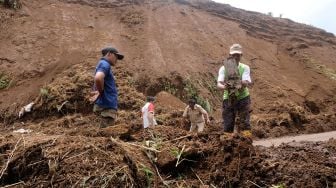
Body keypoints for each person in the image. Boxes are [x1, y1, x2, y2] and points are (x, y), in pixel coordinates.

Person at [217, 44, 252, 134]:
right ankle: (228, 144)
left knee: (245, 123)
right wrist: (225, 87)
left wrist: (240, 83)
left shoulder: (245, 67)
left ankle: (247, 143)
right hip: (228, 98)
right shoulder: (223, 68)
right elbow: (219, 84)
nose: (235, 57)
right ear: (230, 55)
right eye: (233, 55)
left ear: (241, 55)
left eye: (238, 55)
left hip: (243, 98)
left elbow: (246, 82)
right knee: (228, 124)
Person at [89, 46, 124, 128]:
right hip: (106, 108)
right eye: (116, 56)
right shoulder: (105, 64)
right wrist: (100, 92)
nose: (117, 60)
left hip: (103, 105)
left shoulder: (102, 64)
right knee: (105, 134)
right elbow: (98, 78)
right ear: (109, 54)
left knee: (98, 132)